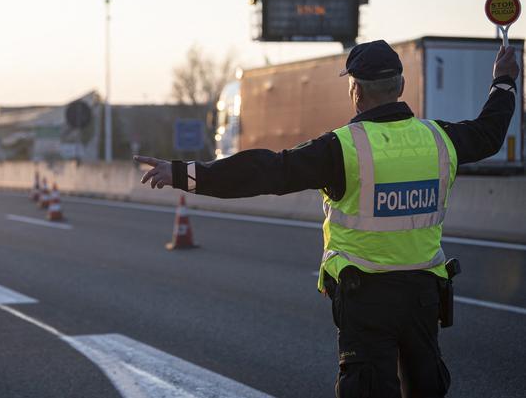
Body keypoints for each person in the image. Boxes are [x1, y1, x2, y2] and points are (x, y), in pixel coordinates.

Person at [134, 40, 520, 398]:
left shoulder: (342, 148)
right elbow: (489, 134)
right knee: (425, 385)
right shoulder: (440, 139)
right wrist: (503, 81)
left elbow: (267, 170)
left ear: (357, 91)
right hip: (423, 295)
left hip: (366, 298)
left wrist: (185, 173)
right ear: (400, 86)